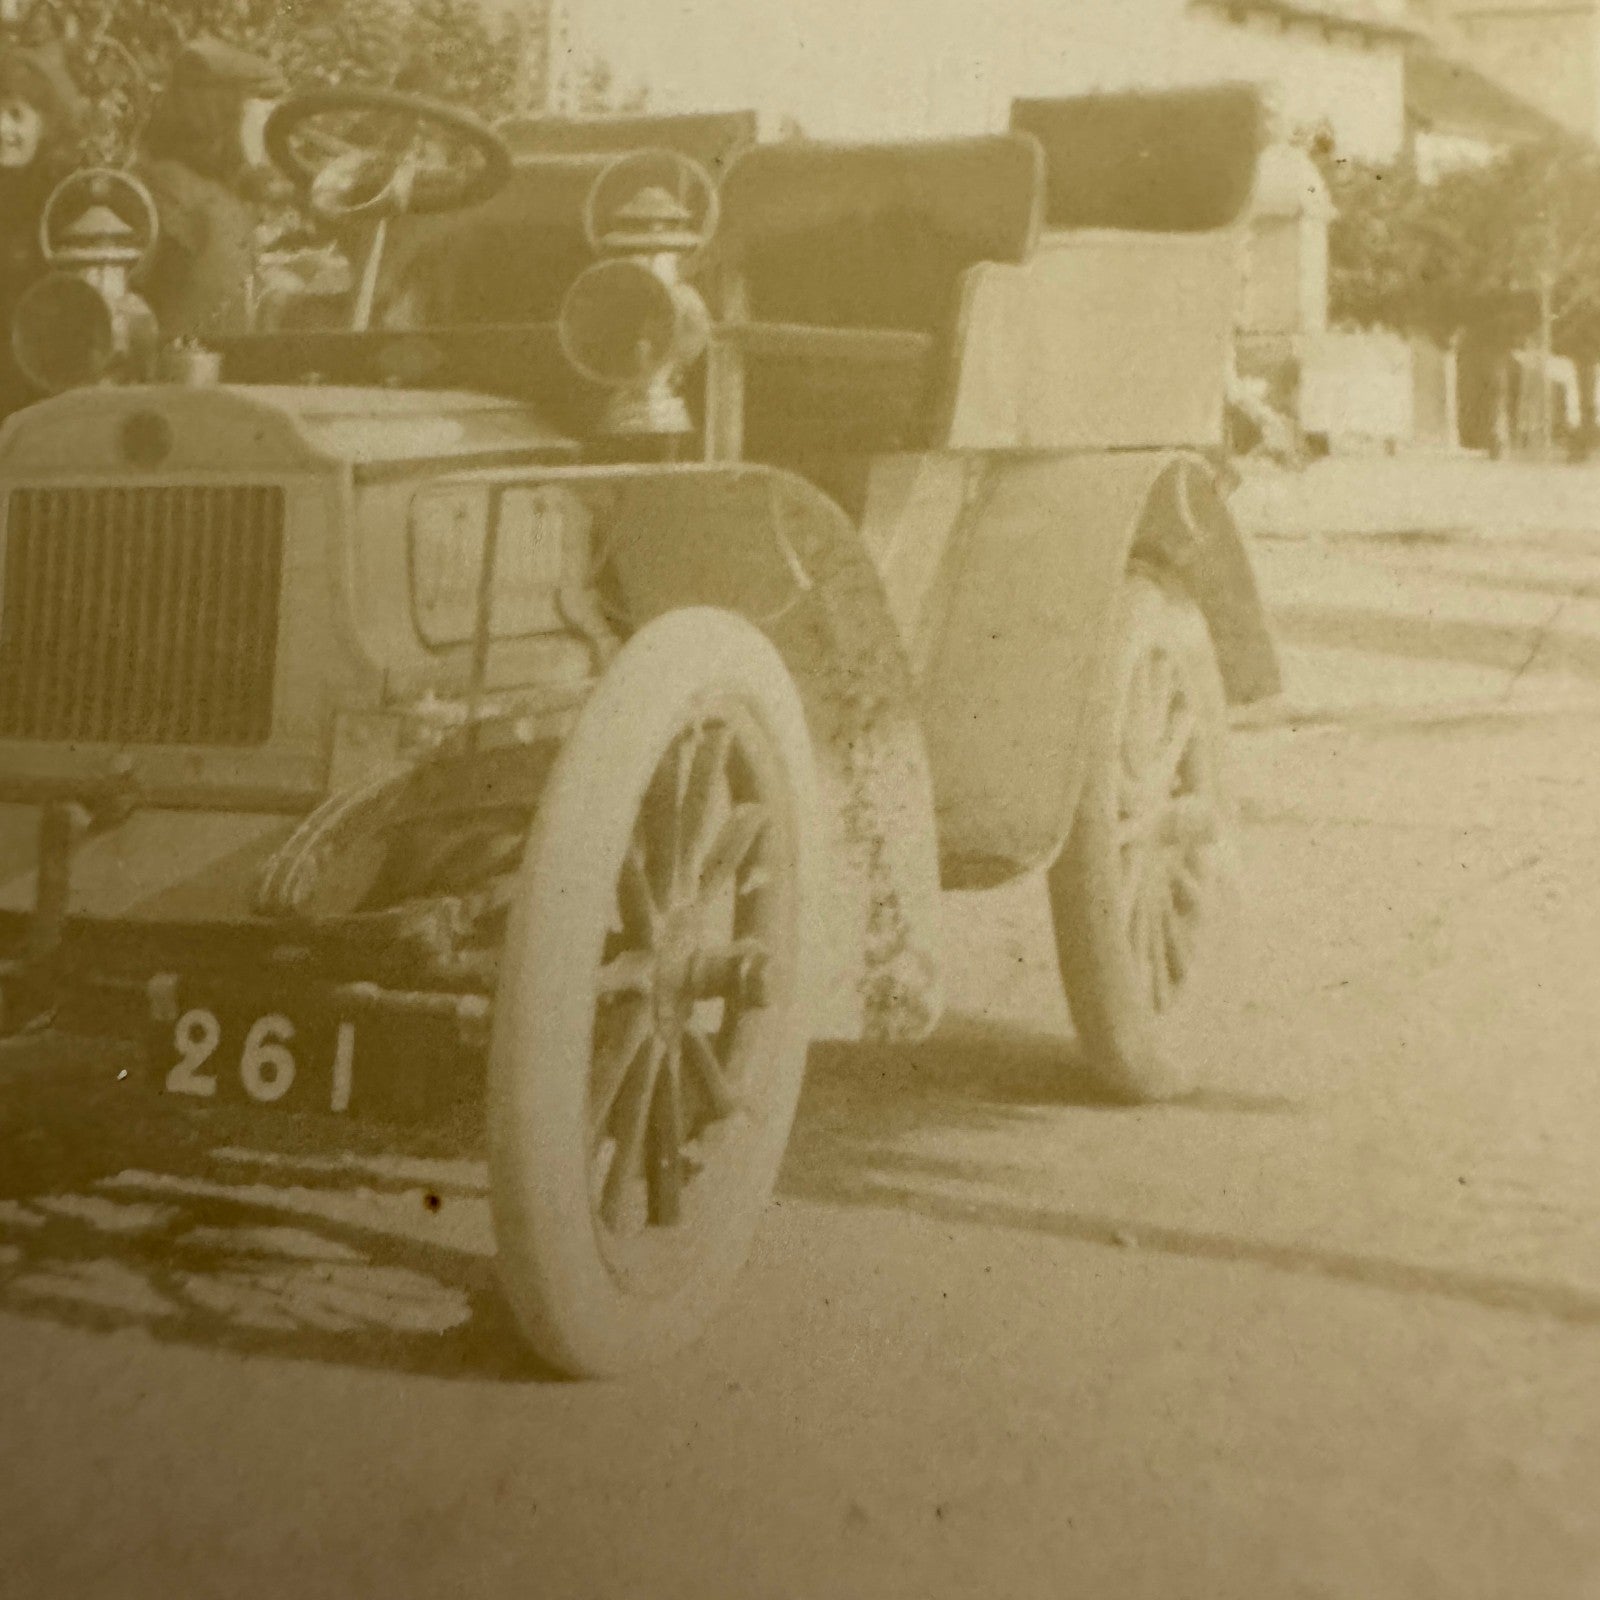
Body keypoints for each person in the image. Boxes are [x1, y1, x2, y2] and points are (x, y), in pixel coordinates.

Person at [134, 37, 287, 343]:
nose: (270, 130)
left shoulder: (217, 187)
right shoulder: (169, 188)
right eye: (260, 112)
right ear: (223, 113)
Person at [0, 40, 85, 410]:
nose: (3, 129)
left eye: (17, 115)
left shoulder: (63, 201)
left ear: (46, 125)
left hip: (36, 380)